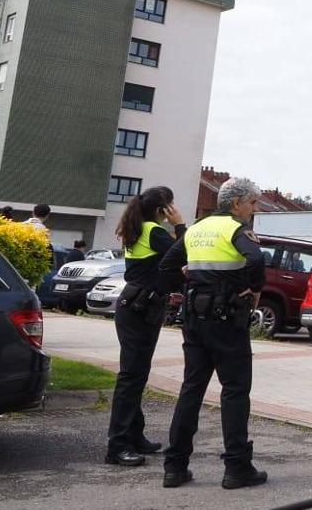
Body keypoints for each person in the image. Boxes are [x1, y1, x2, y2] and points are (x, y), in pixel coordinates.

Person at [158, 177, 267, 490]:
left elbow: (168, 265)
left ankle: (175, 466)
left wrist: (189, 284)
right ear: (236, 204)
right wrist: (255, 288)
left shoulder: (197, 228)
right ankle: (237, 467)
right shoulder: (235, 228)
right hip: (227, 320)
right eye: (253, 202)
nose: (254, 209)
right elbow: (257, 258)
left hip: (194, 318)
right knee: (234, 390)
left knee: (191, 388)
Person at [105, 186, 185, 467]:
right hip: (140, 307)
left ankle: (134, 436)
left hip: (138, 306)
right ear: (163, 209)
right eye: (171, 205)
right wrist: (180, 225)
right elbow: (183, 254)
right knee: (131, 376)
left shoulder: (140, 226)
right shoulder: (153, 230)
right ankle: (117, 446)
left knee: (136, 374)